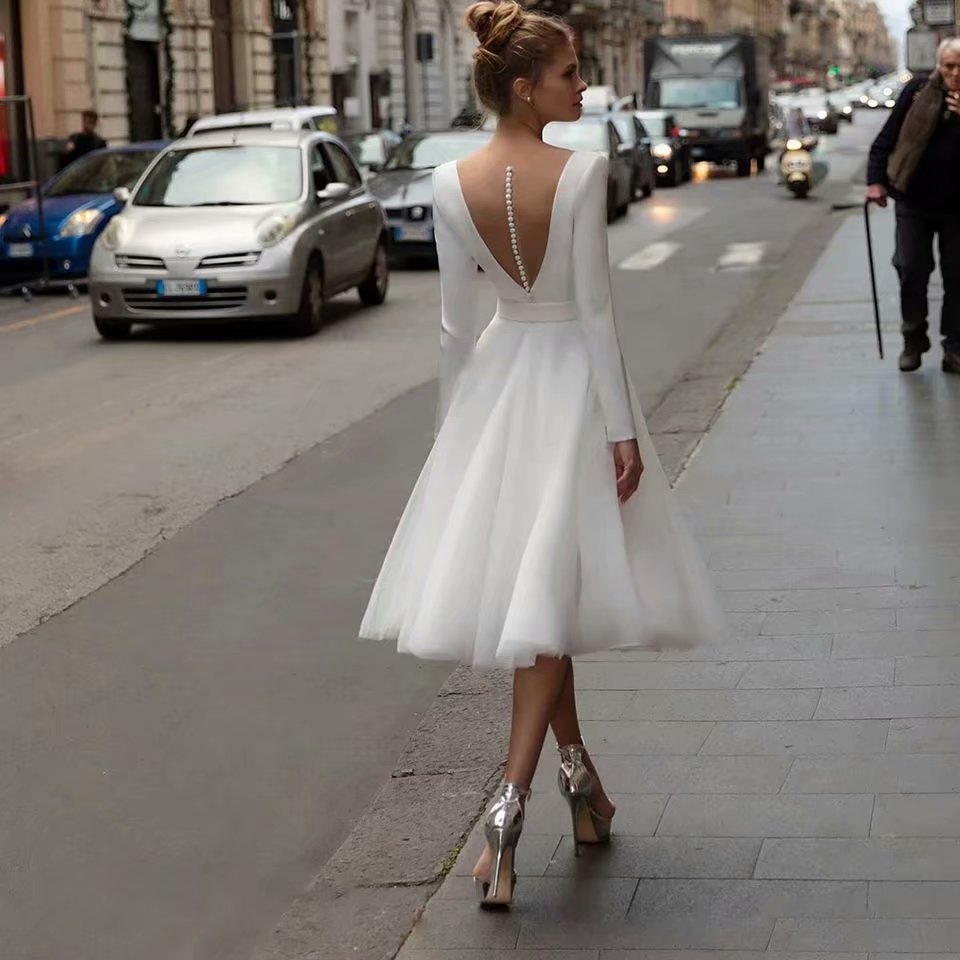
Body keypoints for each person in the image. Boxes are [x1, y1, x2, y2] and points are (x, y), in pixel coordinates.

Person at [358, 0, 724, 909]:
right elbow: (597, 313)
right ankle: (507, 809)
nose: (585, 82)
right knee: (548, 604)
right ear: (526, 89)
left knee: (539, 605)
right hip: (571, 388)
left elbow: (453, 328)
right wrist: (621, 428)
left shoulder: (449, 183)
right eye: (570, 72)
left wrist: (455, 437)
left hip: (497, 387)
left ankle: (583, 790)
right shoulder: (582, 170)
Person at [866, 38, 960, 373]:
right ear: (939, 66)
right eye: (949, 66)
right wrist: (875, 181)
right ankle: (913, 337)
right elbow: (886, 140)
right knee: (910, 268)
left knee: (958, 275)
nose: (955, 73)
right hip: (914, 200)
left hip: (957, 208)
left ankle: (955, 346)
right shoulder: (918, 93)